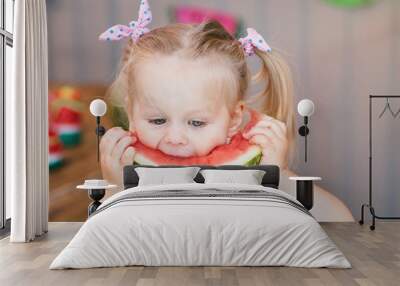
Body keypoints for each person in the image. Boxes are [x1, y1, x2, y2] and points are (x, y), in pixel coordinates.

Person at [98, 0, 295, 187]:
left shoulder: (258, 166)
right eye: (157, 120)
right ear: (131, 112)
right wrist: (114, 187)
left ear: (234, 119)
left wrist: (276, 175)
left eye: (196, 123)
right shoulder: (125, 165)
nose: (174, 138)